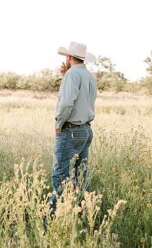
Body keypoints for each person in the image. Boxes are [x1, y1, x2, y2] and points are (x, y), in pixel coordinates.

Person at [50, 42, 98, 215]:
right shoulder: (89, 76)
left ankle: (52, 219)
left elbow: (67, 102)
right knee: (80, 176)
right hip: (86, 130)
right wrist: (66, 75)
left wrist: (58, 123)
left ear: (69, 57)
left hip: (70, 130)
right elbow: (82, 99)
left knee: (60, 175)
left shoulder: (72, 74)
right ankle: (86, 215)